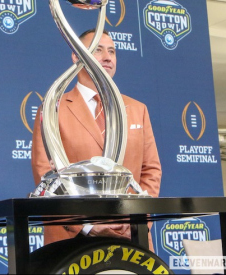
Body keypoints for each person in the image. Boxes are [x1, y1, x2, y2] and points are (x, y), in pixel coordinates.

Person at [31, 29, 161, 251]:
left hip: (131, 238)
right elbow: (45, 175)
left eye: (112, 51)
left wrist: (135, 220)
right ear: (76, 56)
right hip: (72, 242)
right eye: (98, 50)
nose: (108, 57)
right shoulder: (52, 108)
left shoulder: (138, 109)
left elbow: (151, 172)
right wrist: (87, 225)